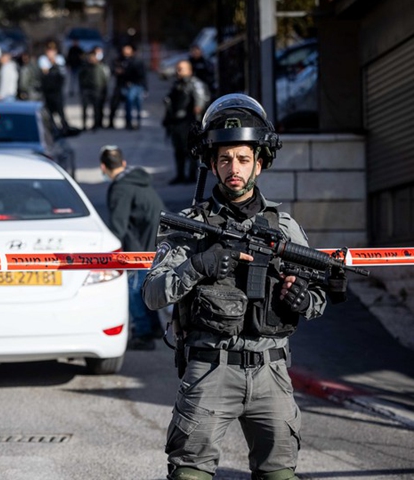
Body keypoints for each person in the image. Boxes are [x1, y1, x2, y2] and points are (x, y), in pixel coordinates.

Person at [144, 94, 347, 480]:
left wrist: (305, 298)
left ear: (259, 162)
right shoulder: (189, 226)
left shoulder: (284, 227)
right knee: (190, 474)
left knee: (280, 474)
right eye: (224, 159)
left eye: (242, 158)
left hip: (271, 371)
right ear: (211, 163)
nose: (232, 168)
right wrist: (198, 265)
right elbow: (153, 294)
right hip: (209, 369)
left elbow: (318, 297)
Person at [100, 146, 166, 350]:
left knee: (133, 290)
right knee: (144, 288)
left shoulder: (121, 188)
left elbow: (118, 227)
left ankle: (143, 334)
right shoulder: (137, 181)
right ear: (124, 163)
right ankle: (154, 327)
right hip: (154, 242)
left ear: (103, 167)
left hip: (138, 249)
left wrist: (104, 253)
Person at [163, 60, 209, 184]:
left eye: (181, 69)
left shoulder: (195, 84)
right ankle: (180, 175)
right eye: (177, 69)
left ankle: (192, 175)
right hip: (176, 122)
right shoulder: (177, 84)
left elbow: (200, 102)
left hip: (188, 122)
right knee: (178, 150)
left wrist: (196, 119)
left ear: (189, 70)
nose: (178, 71)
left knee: (189, 150)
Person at [107, 44, 147, 130]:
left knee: (135, 104)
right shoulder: (119, 60)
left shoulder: (136, 61)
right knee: (117, 104)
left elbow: (142, 75)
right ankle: (119, 122)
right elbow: (113, 69)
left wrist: (145, 88)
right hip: (122, 85)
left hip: (135, 85)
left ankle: (136, 122)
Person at [39, 42, 70, 131]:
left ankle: (64, 127)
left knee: (60, 110)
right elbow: (44, 72)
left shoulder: (60, 59)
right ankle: (53, 128)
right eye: (49, 51)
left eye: (52, 51)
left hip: (57, 90)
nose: (50, 53)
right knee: (49, 112)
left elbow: (62, 73)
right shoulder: (43, 59)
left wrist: (53, 64)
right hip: (47, 90)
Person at [79, 50, 108, 130]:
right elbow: (80, 78)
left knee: (96, 109)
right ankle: (84, 125)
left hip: (97, 90)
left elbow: (105, 79)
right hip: (86, 89)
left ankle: (96, 125)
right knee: (85, 108)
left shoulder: (101, 67)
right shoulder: (85, 67)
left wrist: (103, 90)